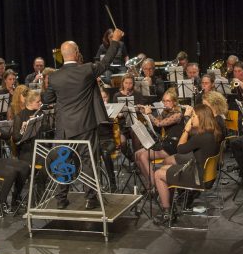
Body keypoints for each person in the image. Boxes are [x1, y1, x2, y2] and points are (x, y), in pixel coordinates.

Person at [51, 28, 125, 210]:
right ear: (76, 53)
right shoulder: (86, 70)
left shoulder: (54, 77)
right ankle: (90, 199)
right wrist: (115, 41)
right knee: (88, 162)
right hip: (84, 125)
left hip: (64, 127)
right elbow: (106, 62)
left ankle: (61, 199)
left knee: (63, 161)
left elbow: (47, 98)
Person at [152, 104, 222, 225]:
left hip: (198, 178)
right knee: (165, 167)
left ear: (201, 118)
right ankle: (171, 206)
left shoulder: (201, 137)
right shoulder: (214, 132)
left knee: (158, 174)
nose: (191, 118)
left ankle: (167, 213)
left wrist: (186, 130)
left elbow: (180, 149)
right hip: (207, 176)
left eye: (193, 116)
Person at [134, 89, 185, 188]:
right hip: (165, 143)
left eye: (168, 101)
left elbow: (159, 123)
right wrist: (143, 112)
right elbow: (155, 124)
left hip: (173, 145)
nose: (165, 103)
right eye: (164, 101)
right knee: (137, 154)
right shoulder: (165, 112)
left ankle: (154, 185)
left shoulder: (178, 114)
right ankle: (150, 181)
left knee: (143, 156)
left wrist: (149, 114)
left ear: (174, 102)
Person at [13, 90, 44, 163]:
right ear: (30, 103)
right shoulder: (20, 116)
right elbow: (15, 138)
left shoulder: (40, 113)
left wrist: (38, 122)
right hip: (26, 151)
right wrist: (24, 129)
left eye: (40, 101)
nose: (40, 103)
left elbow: (47, 129)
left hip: (39, 147)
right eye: (38, 102)